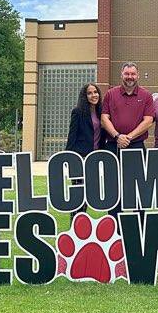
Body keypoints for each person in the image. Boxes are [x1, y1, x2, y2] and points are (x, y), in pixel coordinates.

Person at [65, 83, 103, 217]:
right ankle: (75, 222)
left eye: (95, 92)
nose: (94, 95)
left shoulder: (101, 112)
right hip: (80, 158)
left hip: (94, 159)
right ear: (84, 96)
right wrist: (68, 157)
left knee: (89, 194)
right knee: (78, 194)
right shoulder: (78, 112)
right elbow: (72, 135)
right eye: (89, 93)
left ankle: (82, 222)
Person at [101, 62, 155, 154]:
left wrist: (128, 138)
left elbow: (148, 121)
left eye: (133, 74)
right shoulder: (110, 94)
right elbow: (104, 119)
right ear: (121, 75)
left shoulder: (146, 95)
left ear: (138, 76)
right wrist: (117, 136)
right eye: (126, 74)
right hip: (113, 144)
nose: (130, 77)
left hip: (136, 145)